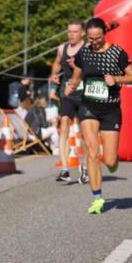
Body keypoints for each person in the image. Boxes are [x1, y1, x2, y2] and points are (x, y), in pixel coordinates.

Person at [64, 17, 132, 215]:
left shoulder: (117, 52)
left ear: (104, 35)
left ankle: (112, 164)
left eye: (97, 38)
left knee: (110, 160)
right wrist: (70, 86)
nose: (94, 42)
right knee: (92, 151)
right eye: (90, 38)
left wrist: (116, 78)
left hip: (111, 109)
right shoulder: (84, 52)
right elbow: (77, 75)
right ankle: (97, 198)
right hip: (88, 106)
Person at [49, 20, 87, 183]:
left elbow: (96, 69)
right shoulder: (62, 48)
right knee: (63, 127)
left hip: (85, 93)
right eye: (69, 31)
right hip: (67, 94)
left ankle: (84, 167)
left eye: (75, 32)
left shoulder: (88, 48)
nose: (71, 35)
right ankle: (64, 169)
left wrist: (80, 66)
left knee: (85, 133)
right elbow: (57, 64)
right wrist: (54, 76)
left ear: (82, 33)